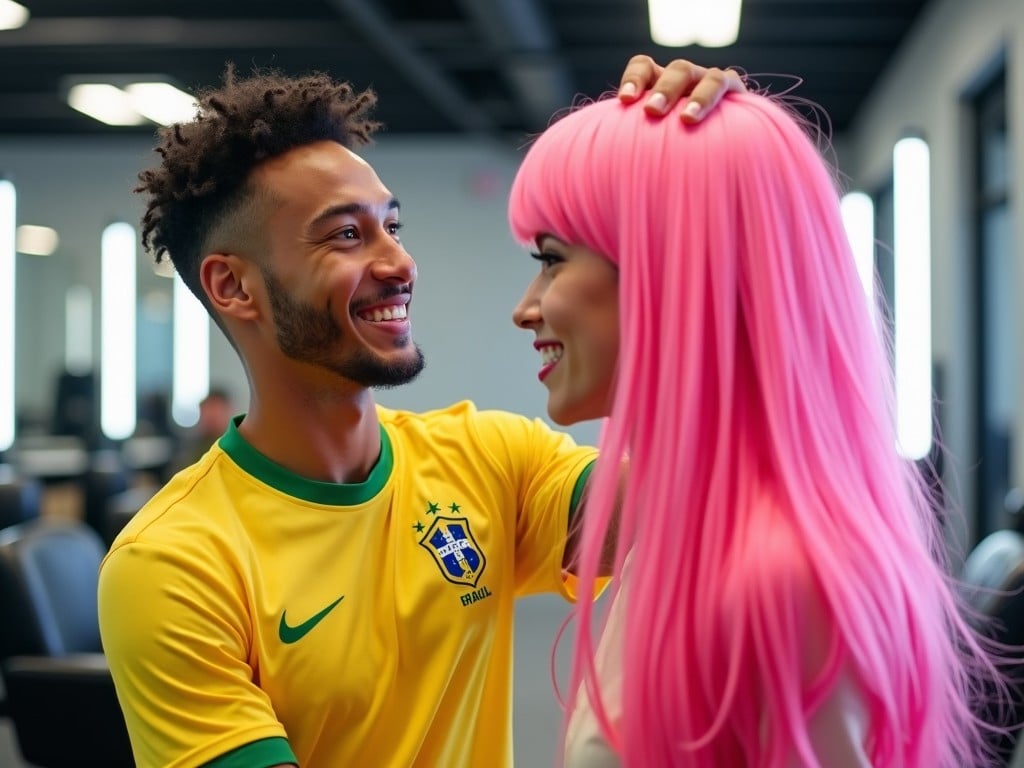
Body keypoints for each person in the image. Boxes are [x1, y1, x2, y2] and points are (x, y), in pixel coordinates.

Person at [95, 58, 743, 768]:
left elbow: (704, 502)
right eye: (346, 235)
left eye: (392, 226)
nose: (399, 261)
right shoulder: (173, 563)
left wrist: (711, 180)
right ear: (233, 286)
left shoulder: (486, 458)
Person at [508, 93, 1005, 766]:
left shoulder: (779, 578)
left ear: (670, 265)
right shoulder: (681, 535)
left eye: (552, 259)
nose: (525, 308)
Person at [171, 386, 237, 471]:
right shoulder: (196, 444)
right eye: (206, 412)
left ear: (229, 411)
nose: (209, 416)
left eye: (215, 411)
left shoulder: (235, 444)